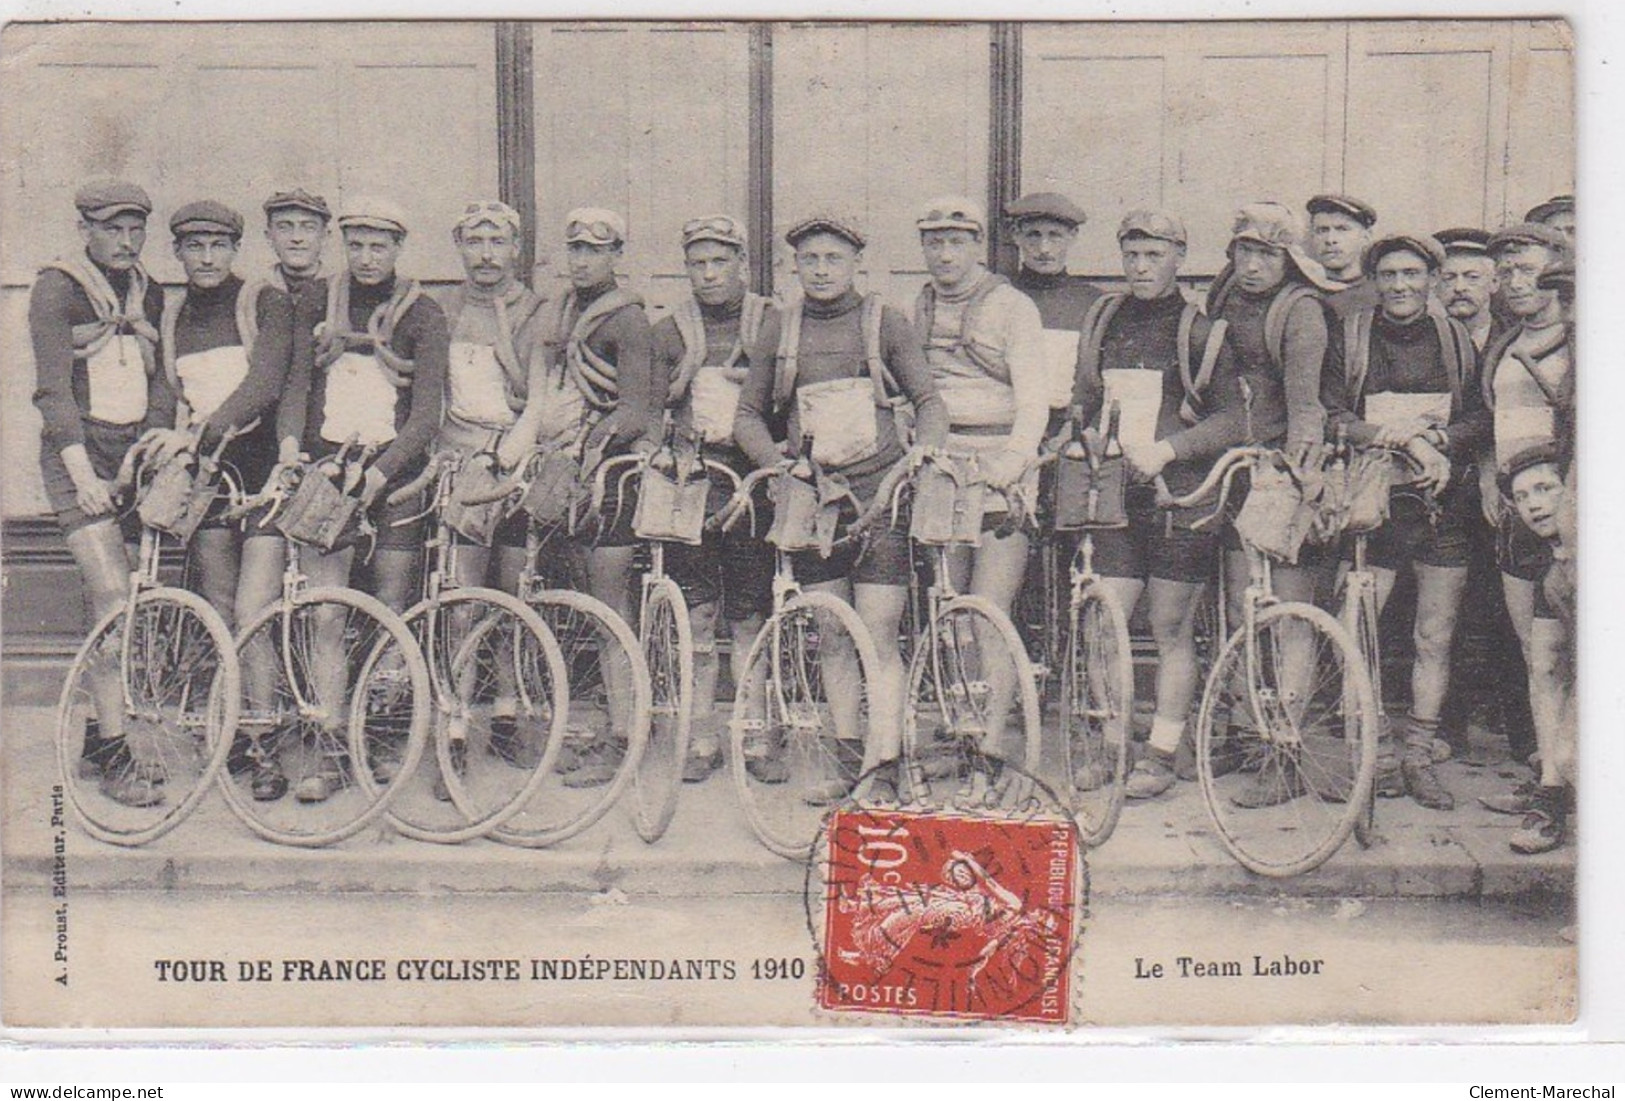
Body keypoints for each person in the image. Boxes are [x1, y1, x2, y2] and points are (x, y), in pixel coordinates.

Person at [735, 212, 948, 800]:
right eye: (810, 259)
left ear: (857, 263)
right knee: (831, 632)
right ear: (793, 266)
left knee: (878, 629)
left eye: (834, 259)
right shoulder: (781, 327)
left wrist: (922, 456)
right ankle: (848, 756)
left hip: (881, 497)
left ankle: (889, 760)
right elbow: (748, 415)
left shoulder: (885, 322)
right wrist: (774, 466)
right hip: (817, 502)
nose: (822, 270)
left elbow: (929, 401)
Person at [275, 196, 449, 802]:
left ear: (399, 248)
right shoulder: (316, 301)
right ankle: (326, 745)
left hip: (395, 479)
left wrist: (381, 475)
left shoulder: (424, 314)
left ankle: (377, 734)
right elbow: (297, 381)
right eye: (357, 244)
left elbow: (428, 413)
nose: (368, 256)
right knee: (327, 612)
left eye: (381, 245)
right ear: (343, 245)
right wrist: (293, 446)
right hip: (328, 471)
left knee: (391, 609)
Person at [1063, 211, 1242, 799]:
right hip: (1116, 492)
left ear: (1179, 257)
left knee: (1169, 626)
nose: (1141, 267)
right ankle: (1114, 746)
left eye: (1154, 256)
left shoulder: (1202, 330)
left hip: (1181, 498)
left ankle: (1161, 753)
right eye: (1132, 255)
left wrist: (1170, 449)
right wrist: (1083, 432)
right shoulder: (1104, 319)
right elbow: (1085, 397)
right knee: (1102, 622)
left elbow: (1233, 419)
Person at [1321, 232, 1488, 810]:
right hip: (1372, 506)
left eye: (1412, 275)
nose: (1400, 286)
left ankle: (1419, 752)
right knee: (1360, 629)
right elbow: (1330, 413)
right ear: (1374, 281)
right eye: (1389, 275)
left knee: (1433, 636)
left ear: (1432, 280)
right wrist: (1378, 435)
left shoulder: (1456, 339)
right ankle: (1377, 753)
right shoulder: (1352, 337)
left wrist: (1437, 440)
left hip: (1441, 506)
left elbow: (1478, 418)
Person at [30, 179, 174, 807]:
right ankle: (117, 751)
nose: (126, 240)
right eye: (112, 228)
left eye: (135, 228)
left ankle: (99, 730)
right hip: (78, 456)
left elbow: (163, 380)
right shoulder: (56, 288)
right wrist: (83, 473)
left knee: (129, 600)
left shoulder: (150, 290)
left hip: (133, 454)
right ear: (85, 228)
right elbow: (53, 392)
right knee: (112, 594)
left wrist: (156, 443)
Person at [160, 200, 299, 801]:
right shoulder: (173, 314)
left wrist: (203, 437)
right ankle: (234, 734)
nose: (207, 257)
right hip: (207, 483)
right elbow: (170, 394)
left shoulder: (262, 301)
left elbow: (265, 383)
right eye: (195, 246)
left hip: (263, 475)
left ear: (234, 248)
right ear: (180, 252)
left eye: (218, 245)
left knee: (253, 610)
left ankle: (265, 738)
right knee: (215, 604)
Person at [1204, 202, 1338, 807]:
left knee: (1288, 614)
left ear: (1288, 260)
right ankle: (1244, 730)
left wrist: (1296, 478)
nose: (1253, 264)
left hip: (1288, 472)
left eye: (1267, 254)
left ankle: (1285, 750)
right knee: (1241, 608)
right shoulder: (1227, 300)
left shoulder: (1300, 310)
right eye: (1245, 251)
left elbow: (1308, 405)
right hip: (1240, 465)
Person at [522, 207, 660, 788]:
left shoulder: (627, 321)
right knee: (575, 603)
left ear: (615, 256)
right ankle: (602, 723)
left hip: (611, 479)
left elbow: (635, 406)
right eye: (575, 249)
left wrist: (589, 450)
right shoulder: (561, 312)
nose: (583, 260)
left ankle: (627, 735)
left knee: (609, 608)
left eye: (596, 251)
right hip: (567, 471)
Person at [912, 196, 1048, 762]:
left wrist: (1014, 461)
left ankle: (992, 739)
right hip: (942, 465)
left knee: (990, 606)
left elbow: (1035, 396)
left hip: (998, 463)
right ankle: (961, 722)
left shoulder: (1011, 307)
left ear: (976, 246)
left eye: (957, 242)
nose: (945, 254)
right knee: (949, 605)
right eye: (935, 242)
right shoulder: (915, 305)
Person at [649, 214, 778, 783]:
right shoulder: (670, 329)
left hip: (755, 478)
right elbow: (651, 405)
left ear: (742, 264)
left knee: (750, 609)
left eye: (720, 261)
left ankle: (756, 730)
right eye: (698, 264)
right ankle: (701, 733)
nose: (709, 274)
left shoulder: (772, 321)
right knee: (698, 610)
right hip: (693, 479)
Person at [429, 200, 552, 793]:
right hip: (457, 462)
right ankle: (453, 724)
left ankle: (506, 712)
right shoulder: (441, 308)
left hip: (514, 459)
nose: (485, 254)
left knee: (513, 589)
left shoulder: (536, 310)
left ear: (515, 248)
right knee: (460, 595)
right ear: (459, 247)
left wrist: (515, 450)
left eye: (496, 241)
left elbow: (541, 394)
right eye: (474, 240)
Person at [1475, 222, 1572, 819]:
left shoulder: (1583, 339)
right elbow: (1492, 420)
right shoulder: (1504, 342)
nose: (1516, 282)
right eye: (1506, 271)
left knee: (1568, 655)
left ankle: (1566, 786)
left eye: (1527, 268)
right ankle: (1549, 775)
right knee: (1534, 656)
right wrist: (1490, 476)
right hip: (1515, 515)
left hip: (1565, 516)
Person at [1489, 445, 1574, 854]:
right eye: (1522, 497)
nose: (1533, 505)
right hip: (1561, 571)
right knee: (1544, 665)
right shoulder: (1554, 560)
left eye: (1544, 489)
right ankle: (1552, 794)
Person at [1004, 192, 1101, 427]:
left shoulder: (1093, 303)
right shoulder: (1000, 295)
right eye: (1033, 236)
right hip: (1006, 424)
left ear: (1072, 236)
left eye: (1054, 236)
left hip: (1067, 429)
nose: (1043, 248)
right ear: (1016, 236)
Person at [1307, 194, 1379, 319]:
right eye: (1322, 230)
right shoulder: (1305, 292)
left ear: (1366, 237)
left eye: (1342, 229)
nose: (1330, 240)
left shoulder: (1380, 291)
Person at [262, 189, 331, 300]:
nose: (296, 238)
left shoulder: (340, 288)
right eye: (284, 227)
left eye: (309, 228)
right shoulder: (252, 290)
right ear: (269, 236)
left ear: (325, 236)